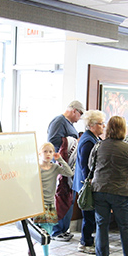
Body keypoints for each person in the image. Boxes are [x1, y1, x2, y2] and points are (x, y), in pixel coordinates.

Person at [90, 116, 128, 256]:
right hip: (120, 191)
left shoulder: (98, 146)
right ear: (123, 129)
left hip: (99, 189)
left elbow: (90, 166)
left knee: (101, 224)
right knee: (125, 226)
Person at [47, 100, 85, 242]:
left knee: (68, 198)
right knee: (61, 198)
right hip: (60, 167)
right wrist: (72, 141)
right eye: (80, 114)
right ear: (74, 110)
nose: (79, 118)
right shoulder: (59, 121)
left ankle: (63, 229)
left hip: (68, 167)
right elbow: (53, 142)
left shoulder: (68, 124)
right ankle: (56, 230)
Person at [33, 143, 74, 256]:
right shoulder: (36, 168)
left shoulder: (55, 167)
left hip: (50, 204)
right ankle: (37, 248)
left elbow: (69, 173)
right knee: (39, 230)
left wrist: (60, 159)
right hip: (37, 204)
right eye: (45, 151)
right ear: (40, 153)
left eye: (51, 151)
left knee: (47, 232)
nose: (48, 154)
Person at [73, 110, 105, 254]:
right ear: (92, 125)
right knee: (89, 215)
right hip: (86, 183)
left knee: (90, 214)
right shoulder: (88, 140)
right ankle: (85, 243)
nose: (103, 126)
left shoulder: (93, 138)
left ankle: (88, 241)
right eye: (100, 124)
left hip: (87, 182)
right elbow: (86, 165)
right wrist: (89, 182)